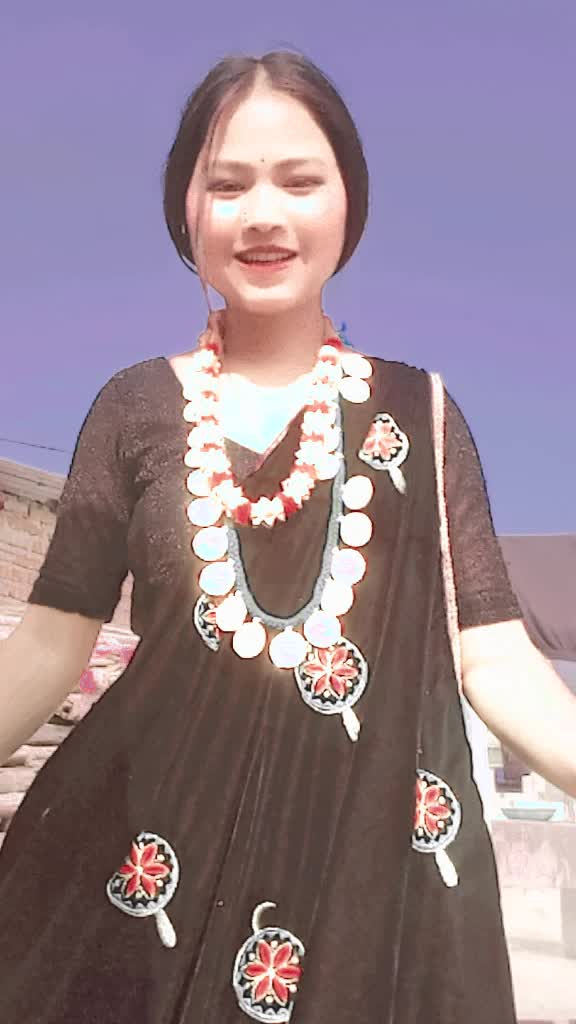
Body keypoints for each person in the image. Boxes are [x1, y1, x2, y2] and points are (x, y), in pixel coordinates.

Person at [0, 49, 575, 1024]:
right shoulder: (136, 409)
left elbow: (493, 654)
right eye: (229, 185)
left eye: (300, 181)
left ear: (349, 202)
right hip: (146, 871)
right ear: (187, 209)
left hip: (367, 881)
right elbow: (51, 645)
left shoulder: (422, 415)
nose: (263, 213)